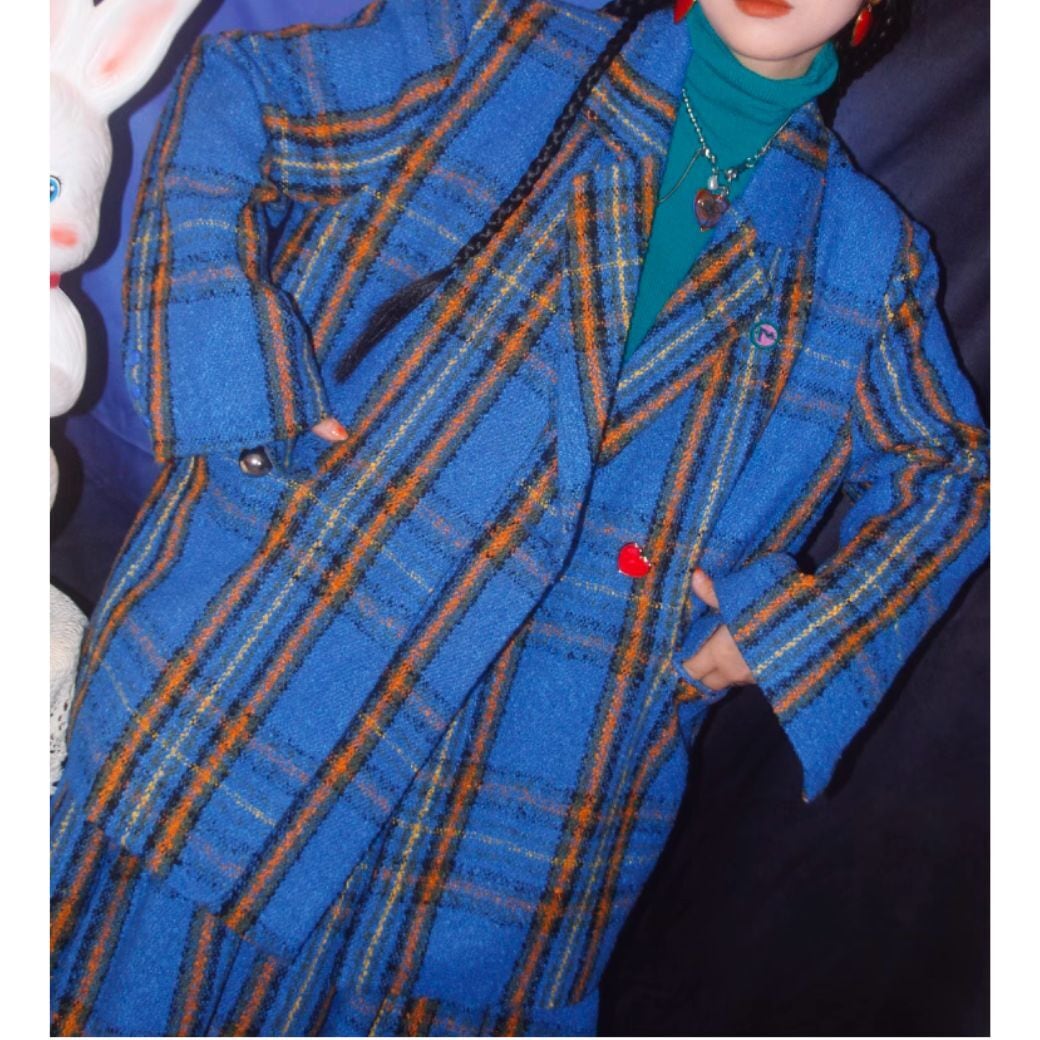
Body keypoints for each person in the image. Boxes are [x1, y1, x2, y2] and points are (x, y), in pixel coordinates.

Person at [50, 0, 989, 1034]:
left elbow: (957, 473)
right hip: (257, 674)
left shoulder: (862, 256)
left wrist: (787, 631)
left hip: (511, 826)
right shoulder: (502, 44)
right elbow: (243, 95)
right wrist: (237, 383)